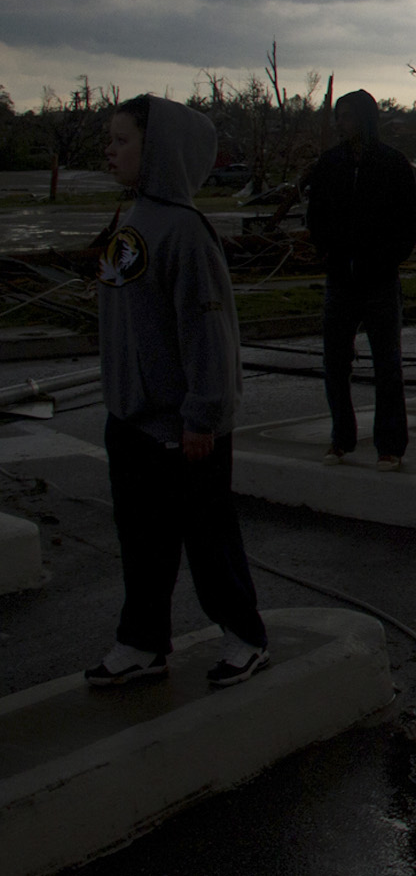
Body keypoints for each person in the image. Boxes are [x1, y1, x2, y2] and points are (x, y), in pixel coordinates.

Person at [89, 95, 268, 689]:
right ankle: (142, 642)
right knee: (142, 542)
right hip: (131, 421)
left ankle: (244, 636)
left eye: (122, 140)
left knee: (208, 538)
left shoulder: (186, 231)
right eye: (109, 139)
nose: (110, 150)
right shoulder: (132, 220)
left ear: (158, 150)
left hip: (184, 429)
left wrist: (203, 416)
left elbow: (208, 330)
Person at [304, 91, 416, 470]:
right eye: (338, 116)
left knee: (387, 365)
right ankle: (341, 439)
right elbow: (316, 213)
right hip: (340, 277)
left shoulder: (392, 164)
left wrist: (387, 258)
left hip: (379, 280)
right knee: (335, 362)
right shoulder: (329, 164)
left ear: (365, 119)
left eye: (348, 117)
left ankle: (390, 446)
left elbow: (408, 221)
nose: (341, 123)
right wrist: (325, 248)